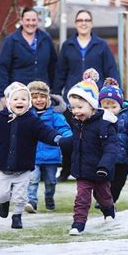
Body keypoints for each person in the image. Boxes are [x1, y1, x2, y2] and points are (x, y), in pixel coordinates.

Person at [0, 82, 63, 229]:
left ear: (28, 103)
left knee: (21, 196)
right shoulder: (0, 121)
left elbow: (45, 132)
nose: (20, 102)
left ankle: (17, 216)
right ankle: (4, 202)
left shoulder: (32, 121)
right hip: (2, 167)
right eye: (16, 99)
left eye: (23, 99)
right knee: (2, 194)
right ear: (9, 102)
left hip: (23, 168)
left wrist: (57, 138)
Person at [53, 9, 120, 181]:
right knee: (72, 137)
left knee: (93, 138)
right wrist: (55, 96)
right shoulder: (68, 45)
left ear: (91, 23)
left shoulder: (101, 45)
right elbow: (60, 72)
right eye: (80, 20)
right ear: (76, 23)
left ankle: (95, 170)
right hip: (73, 100)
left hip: (94, 100)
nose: (84, 23)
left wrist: (115, 91)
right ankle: (67, 170)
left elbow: (111, 70)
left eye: (87, 20)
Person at [58, 69, 119, 236]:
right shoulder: (78, 122)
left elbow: (111, 148)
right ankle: (78, 224)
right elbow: (76, 141)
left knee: (104, 196)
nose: (76, 111)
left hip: (100, 170)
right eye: (73, 108)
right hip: (83, 170)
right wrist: (61, 143)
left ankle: (109, 210)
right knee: (82, 198)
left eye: (80, 107)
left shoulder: (105, 124)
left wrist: (104, 166)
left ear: (92, 105)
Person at [24, 81, 72, 213]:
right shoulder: (26, 116)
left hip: (51, 155)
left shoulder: (55, 116)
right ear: (29, 100)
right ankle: (31, 202)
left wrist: (68, 139)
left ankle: (49, 197)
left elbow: (64, 129)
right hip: (32, 155)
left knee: (51, 181)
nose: (39, 100)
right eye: (35, 97)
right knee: (33, 180)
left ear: (48, 99)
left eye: (42, 97)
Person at [0, 7, 58, 107]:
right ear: (21, 21)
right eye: (27, 20)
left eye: (34, 20)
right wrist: (2, 95)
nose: (31, 23)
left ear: (38, 21)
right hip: (19, 96)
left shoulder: (46, 39)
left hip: (41, 96)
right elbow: (3, 68)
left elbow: (53, 66)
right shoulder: (11, 40)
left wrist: (54, 90)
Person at [98, 78, 128, 205]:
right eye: (106, 107)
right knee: (103, 180)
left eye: (114, 106)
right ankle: (103, 199)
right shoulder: (98, 117)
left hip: (123, 158)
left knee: (118, 183)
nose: (110, 110)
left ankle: (111, 202)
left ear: (120, 104)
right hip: (105, 156)